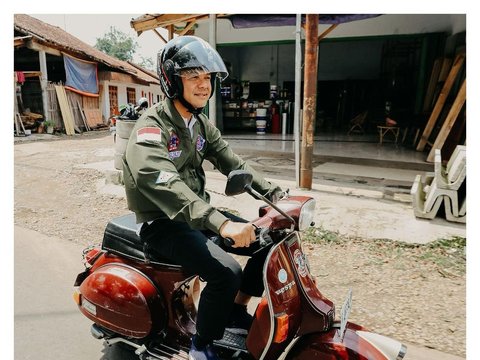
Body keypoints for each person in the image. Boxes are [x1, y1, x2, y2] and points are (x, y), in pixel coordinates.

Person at [122, 36, 283, 360]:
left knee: (270, 243)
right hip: (163, 224)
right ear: (171, 79)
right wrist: (221, 224)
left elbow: (231, 160)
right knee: (226, 273)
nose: (203, 84)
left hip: (197, 216)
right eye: (193, 76)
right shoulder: (150, 128)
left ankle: (235, 313)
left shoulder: (198, 124)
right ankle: (200, 347)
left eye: (207, 77)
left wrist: (276, 194)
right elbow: (164, 181)